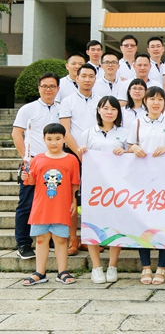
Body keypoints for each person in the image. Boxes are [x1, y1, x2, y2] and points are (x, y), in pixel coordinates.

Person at [127, 86, 165, 285]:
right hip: (142, 181)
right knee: (143, 223)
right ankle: (146, 267)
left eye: (159, 99)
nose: (156, 103)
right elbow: (129, 146)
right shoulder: (137, 123)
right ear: (145, 101)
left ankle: (162, 267)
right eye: (152, 99)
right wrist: (134, 147)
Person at [77, 96, 128, 284]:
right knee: (92, 224)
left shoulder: (125, 133)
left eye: (113, 109)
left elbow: (131, 160)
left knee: (116, 224)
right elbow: (84, 160)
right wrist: (83, 152)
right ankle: (96, 267)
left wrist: (125, 152)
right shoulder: (88, 133)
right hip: (94, 187)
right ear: (98, 110)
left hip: (116, 187)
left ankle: (113, 265)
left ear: (118, 112)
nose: (109, 112)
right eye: (105, 108)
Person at [21, 123, 79, 286]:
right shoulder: (38, 159)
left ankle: (62, 271)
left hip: (62, 206)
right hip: (41, 207)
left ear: (64, 139)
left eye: (58, 138)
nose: (54, 142)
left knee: (61, 240)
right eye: (50, 139)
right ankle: (40, 272)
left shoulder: (71, 159)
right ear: (44, 139)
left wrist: (75, 201)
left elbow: (75, 183)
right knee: (41, 239)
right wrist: (25, 176)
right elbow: (31, 181)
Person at [12, 72, 61, 260]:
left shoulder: (62, 109)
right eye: (44, 86)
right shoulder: (28, 109)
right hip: (33, 162)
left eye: (52, 86)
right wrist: (26, 159)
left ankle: (51, 238)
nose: (48, 89)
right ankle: (23, 243)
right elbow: (16, 134)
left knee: (52, 201)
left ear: (58, 89)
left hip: (56, 163)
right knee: (26, 203)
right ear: (39, 88)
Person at [59, 63, 99, 255]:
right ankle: (73, 239)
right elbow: (65, 131)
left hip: (97, 157)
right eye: (84, 76)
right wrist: (79, 153)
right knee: (73, 197)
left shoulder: (101, 101)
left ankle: (89, 238)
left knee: (93, 198)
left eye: (91, 76)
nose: (87, 79)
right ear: (77, 78)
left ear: (95, 79)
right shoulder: (67, 101)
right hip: (74, 155)